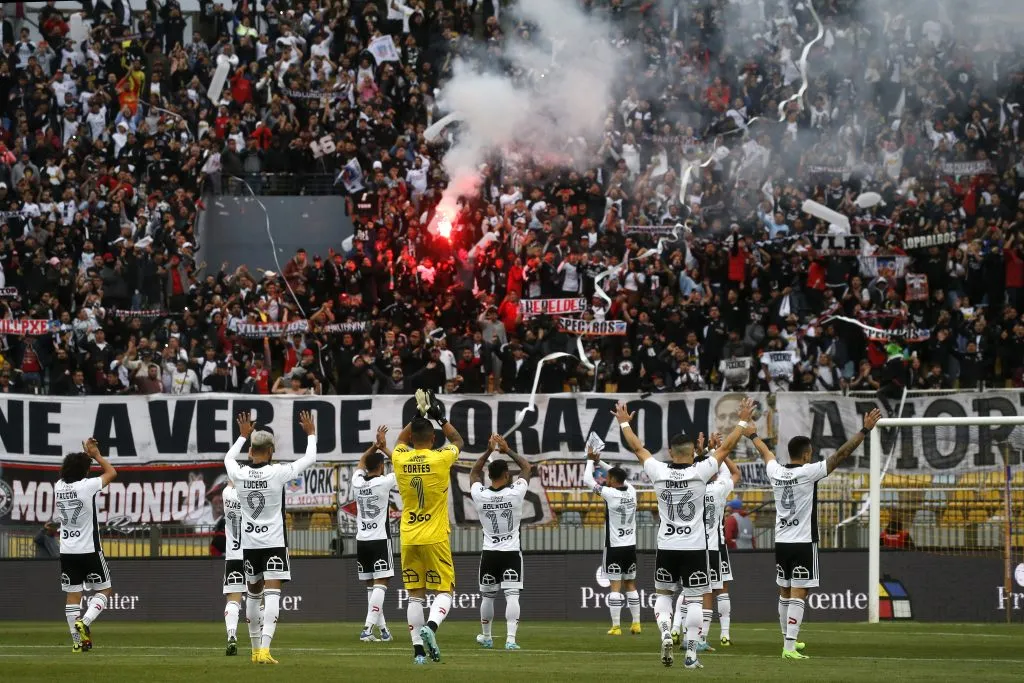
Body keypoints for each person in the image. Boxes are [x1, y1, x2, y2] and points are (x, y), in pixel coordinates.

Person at [615, 398, 753, 669]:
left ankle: (666, 632)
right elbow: (726, 447)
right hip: (695, 548)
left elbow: (638, 448)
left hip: (667, 546)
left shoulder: (658, 470)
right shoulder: (701, 471)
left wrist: (624, 423)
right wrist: (742, 420)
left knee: (664, 595)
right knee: (694, 601)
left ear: (670, 451)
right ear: (692, 453)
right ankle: (690, 655)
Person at [751, 407, 882, 660]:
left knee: (784, 591)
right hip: (803, 542)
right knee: (799, 592)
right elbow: (841, 455)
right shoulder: (808, 472)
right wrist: (865, 430)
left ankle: (788, 640)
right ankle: (789, 647)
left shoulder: (775, 471)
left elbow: (765, 452)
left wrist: (752, 434)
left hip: (781, 541)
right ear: (806, 454)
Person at [224, 410, 318, 664]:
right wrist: (311, 434)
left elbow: (228, 458)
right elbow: (310, 458)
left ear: (251, 451)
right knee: (272, 595)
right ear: (271, 451)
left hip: (249, 545)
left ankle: (255, 651)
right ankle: (265, 650)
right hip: (274, 543)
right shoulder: (278, 472)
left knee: (253, 596)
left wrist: (242, 435)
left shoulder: (239, 473)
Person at [392, 389, 465, 664]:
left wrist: (417, 415)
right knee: (445, 591)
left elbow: (400, 440)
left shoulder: (400, 457)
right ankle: (431, 628)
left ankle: (418, 653)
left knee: (414, 596)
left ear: (412, 438)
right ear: (433, 439)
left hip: (409, 536)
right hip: (434, 536)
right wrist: (439, 417)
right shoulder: (440, 458)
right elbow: (458, 440)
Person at [469, 434, 533, 650]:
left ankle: (487, 637)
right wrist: (507, 450)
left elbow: (473, 473)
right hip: (511, 552)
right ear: (507, 475)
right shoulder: (515, 493)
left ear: (489, 476)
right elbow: (526, 467)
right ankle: (510, 640)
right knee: (512, 596)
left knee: (488, 597)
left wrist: (488, 451)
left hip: (490, 553)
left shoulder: (480, 495)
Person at [56, 438, 117, 652]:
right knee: (105, 590)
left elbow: (71, 471)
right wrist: (95, 455)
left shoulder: (58, 486)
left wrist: (83, 457)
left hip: (67, 551)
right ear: (84, 472)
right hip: (89, 549)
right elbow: (111, 473)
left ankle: (77, 641)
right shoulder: (87, 486)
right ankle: (85, 622)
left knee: (73, 596)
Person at [581, 447, 641, 635]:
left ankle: (616, 626)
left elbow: (587, 480)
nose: (606, 479)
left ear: (613, 480)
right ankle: (636, 624)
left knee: (615, 586)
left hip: (614, 547)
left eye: (608, 477)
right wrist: (600, 462)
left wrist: (590, 460)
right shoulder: (632, 491)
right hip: (630, 546)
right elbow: (619, 476)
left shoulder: (609, 493)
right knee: (630, 584)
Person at [352, 425, 396, 643]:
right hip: (379, 540)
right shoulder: (384, 482)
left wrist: (374, 446)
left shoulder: (357, 482)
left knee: (372, 587)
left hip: (362, 540)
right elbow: (402, 464)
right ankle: (367, 628)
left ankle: (383, 630)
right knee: (381, 583)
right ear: (381, 466)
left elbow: (362, 461)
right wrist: (384, 447)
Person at [220, 481, 245, 656]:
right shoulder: (252, 496)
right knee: (257, 600)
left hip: (233, 556)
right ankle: (260, 643)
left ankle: (231, 636)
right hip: (253, 554)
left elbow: (230, 481)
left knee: (233, 601)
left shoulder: (226, 494)